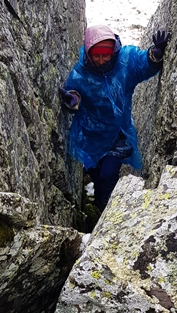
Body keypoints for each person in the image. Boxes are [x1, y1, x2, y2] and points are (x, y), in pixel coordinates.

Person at [60, 24, 170, 211]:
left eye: (106, 55)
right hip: (92, 134)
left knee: (108, 174)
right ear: (88, 53)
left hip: (119, 132)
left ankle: (106, 210)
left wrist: (156, 54)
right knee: (96, 173)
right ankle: (99, 203)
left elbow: (143, 64)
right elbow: (74, 95)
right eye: (96, 55)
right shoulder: (80, 73)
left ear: (114, 51)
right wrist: (72, 100)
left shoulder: (125, 61)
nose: (102, 60)